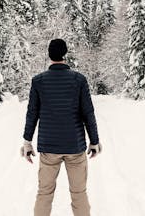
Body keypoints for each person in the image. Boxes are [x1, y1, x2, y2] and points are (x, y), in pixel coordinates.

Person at [21, 38, 102, 216]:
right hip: (75, 147)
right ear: (65, 54)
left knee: (44, 193)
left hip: (49, 149)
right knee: (79, 193)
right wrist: (94, 141)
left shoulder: (38, 81)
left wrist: (27, 142)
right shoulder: (79, 80)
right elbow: (88, 113)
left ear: (49, 55)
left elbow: (32, 113)